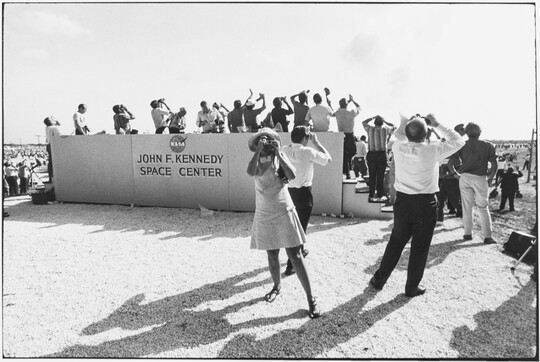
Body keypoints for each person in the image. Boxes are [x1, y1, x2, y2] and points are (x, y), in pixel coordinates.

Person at [370, 114, 465, 297]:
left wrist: (412, 122)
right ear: (426, 133)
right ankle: (411, 287)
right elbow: (459, 140)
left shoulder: (398, 146)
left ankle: (379, 279)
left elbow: (401, 134)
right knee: (420, 247)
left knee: (395, 242)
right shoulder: (433, 150)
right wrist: (436, 124)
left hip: (403, 202)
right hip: (425, 203)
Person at [247, 128, 320, 319]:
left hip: (283, 208)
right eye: (261, 139)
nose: (265, 141)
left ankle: (311, 299)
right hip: (264, 210)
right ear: (256, 144)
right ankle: (277, 287)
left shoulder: (279, 157)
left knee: (295, 254)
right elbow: (250, 171)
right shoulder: (256, 158)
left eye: (268, 139)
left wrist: (278, 152)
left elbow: (292, 175)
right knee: (272, 254)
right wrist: (258, 152)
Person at [281, 126, 332, 276]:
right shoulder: (308, 151)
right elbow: (328, 159)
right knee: (300, 229)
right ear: (305, 138)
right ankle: (291, 265)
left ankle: (301, 250)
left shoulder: (284, 149)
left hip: (288, 192)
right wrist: (317, 143)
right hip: (304, 193)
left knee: (293, 227)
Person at [447, 122, 498, 244]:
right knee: (483, 207)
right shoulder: (488, 145)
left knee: (467, 207)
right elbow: (494, 164)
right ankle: (487, 236)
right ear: (480, 132)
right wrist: (490, 178)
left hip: (465, 177)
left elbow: (450, 164)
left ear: (467, 133)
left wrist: (455, 175)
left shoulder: (462, 145)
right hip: (480, 177)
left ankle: (468, 233)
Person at [362, 115, 396, 202]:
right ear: (382, 123)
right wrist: (385, 121)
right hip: (381, 155)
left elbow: (364, 122)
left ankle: (371, 195)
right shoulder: (385, 129)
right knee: (380, 176)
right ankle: (380, 195)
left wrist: (372, 117)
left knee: (372, 176)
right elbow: (394, 127)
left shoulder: (370, 129)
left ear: (374, 122)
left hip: (372, 154)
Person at [333, 94, 362, 179]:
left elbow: (335, 112)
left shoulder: (338, 113)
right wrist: (352, 100)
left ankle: (346, 170)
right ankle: (347, 172)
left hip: (341, 135)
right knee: (353, 151)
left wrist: (347, 102)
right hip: (350, 135)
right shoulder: (351, 112)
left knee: (344, 155)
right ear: (347, 105)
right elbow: (359, 107)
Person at [44, 116, 61, 181]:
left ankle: (50, 176)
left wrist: (55, 120)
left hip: (48, 145)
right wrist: (56, 120)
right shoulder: (54, 128)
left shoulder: (47, 127)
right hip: (54, 146)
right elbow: (58, 136)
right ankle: (55, 175)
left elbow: (58, 124)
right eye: (52, 119)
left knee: (50, 161)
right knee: (55, 161)